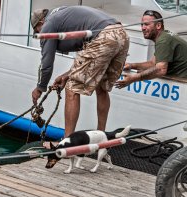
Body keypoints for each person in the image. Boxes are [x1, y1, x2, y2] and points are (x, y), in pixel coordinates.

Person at [31, 6, 129, 138]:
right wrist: (66, 75)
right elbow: (88, 56)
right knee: (101, 88)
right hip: (121, 34)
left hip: (103, 37)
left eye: (36, 30)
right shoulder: (63, 16)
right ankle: (101, 138)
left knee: (72, 89)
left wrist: (40, 88)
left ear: (40, 23)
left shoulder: (48, 25)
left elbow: (47, 64)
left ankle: (67, 142)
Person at [115, 10, 187, 89]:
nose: (143, 28)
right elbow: (153, 63)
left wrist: (134, 78)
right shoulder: (164, 36)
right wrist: (132, 65)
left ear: (158, 25)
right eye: (142, 25)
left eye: (146, 24)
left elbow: (160, 69)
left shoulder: (164, 40)